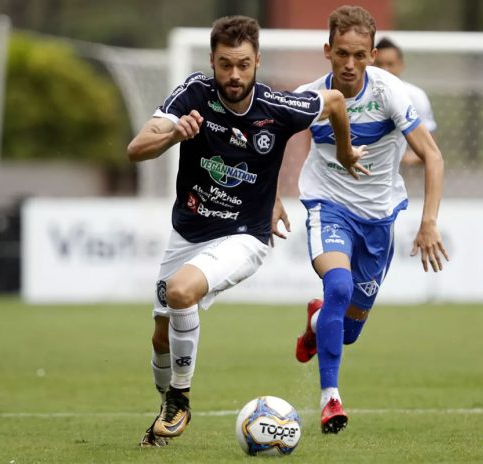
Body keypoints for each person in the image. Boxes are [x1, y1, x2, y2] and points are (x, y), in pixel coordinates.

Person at [127, 15, 367, 447]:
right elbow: (136, 148)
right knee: (161, 334)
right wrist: (173, 135)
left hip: (245, 236)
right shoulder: (194, 94)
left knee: (182, 293)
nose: (233, 75)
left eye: (242, 64)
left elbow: (333, 102)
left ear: (257, 60)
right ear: (212, 61)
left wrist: (346, 154)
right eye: (224, 64)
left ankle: (179, 400)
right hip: (187, 231)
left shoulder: (278, 108)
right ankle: (166, 405)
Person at [292, 5, 449, 434]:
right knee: (338, 286)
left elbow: (432, 157)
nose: (349, 64)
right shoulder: (310, 97)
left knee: (346, 332)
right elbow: (270, 144)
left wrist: (429, 221)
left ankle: (314, 322)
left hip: (379, 218)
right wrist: (268, 201)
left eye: (359, 55)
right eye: (342, 53)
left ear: (373, 54)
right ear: (327, 50)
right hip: (328, 206)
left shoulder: (390, 93)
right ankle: (330, 400)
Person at [374, 37, 438, 166]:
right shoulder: (358, 96)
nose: (385, 70)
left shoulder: (416, 97)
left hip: (406, 177)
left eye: (390, 64)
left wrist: (403, 159)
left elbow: (431, 148)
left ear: (401, 65)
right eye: (379, 64)